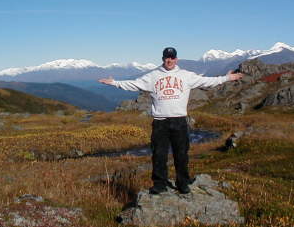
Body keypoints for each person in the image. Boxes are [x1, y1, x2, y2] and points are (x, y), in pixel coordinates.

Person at [99, 47, 243, 194]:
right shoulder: (153, 76)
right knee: (159, 154)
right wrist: (114, 83)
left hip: (179, 121)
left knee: (181, 154)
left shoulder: (186, 76)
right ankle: (159, 184)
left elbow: (207, 81)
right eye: (167, 58)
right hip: (160, 122)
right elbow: (134, 84)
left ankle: (183, 183)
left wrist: (226, 78)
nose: (169, 60)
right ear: (163, 59)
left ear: (176, 59)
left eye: (172, 57)